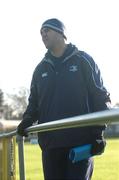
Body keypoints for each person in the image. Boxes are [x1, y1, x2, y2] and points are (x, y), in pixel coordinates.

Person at [17, 18, 111, 180]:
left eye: (47, 30)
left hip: (80, 143)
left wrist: (98, 133)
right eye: (41, 32)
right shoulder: (40, 69)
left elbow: (100, 97)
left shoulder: (83, 61)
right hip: (51, 146)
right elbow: (34, 103)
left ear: (61, 33)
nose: (43, 35)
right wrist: (27, 120)